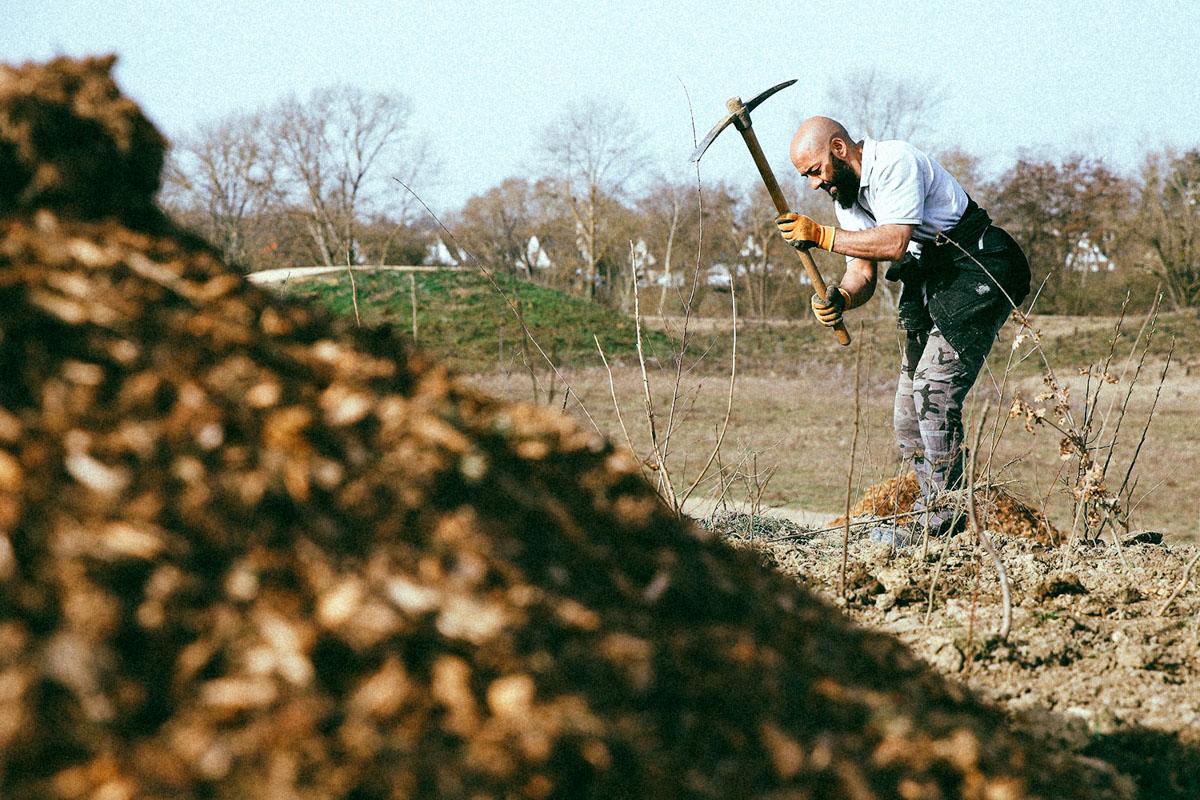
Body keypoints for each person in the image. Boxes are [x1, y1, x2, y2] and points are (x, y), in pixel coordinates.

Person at [776, 116, 1030, 544]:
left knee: (933, 388)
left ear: (839, 149)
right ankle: (932, 507)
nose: (815, 184)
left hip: (977, 266)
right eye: (806, 177)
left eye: (815, 171)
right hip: (933, 278)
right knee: (908, 413)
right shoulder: (848, 201)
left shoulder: (895, 161)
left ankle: (944, 513)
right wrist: (841, 297)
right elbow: (862, 272)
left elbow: (894, 242)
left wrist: (820, 236)